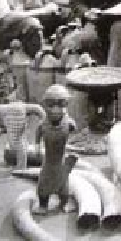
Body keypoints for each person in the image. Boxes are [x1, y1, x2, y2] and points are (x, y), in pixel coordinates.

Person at [33, 84, 77, 215]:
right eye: (51, 105)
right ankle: (43, 205)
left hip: (61, 160)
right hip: (48, 161)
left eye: (60, 105)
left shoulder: (69, 124)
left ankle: (64, 202)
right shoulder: (43, 125)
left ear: (66, 105)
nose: (55, 110)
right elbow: (38, 134)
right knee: (43, 183)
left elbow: (75, 133)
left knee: (63, 184)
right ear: (45, 106)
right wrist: (37, 146)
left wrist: (73, 148)